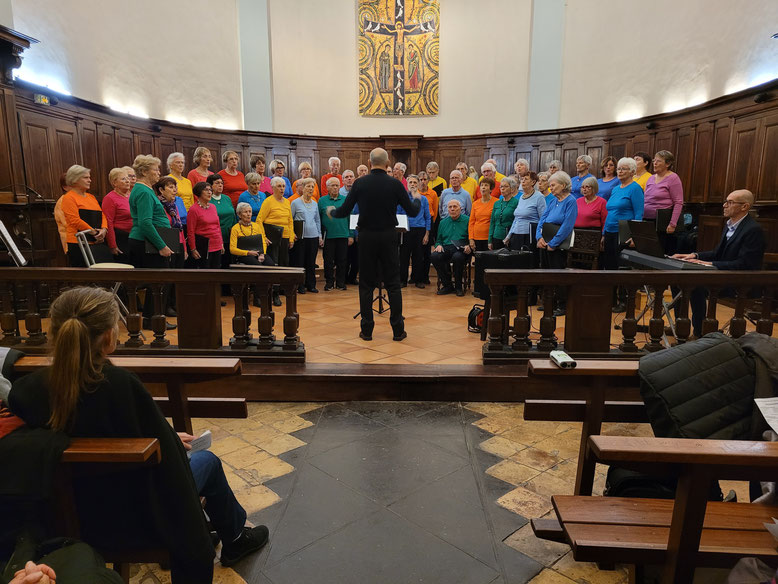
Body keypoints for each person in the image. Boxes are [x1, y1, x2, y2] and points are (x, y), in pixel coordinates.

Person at [8, 287, 270, 583]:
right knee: (206, 460)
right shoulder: (120, 386)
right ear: (109, 337)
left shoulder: (27, 392)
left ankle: (233, 533)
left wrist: (169, 438)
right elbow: (171, 473)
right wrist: (171, 442)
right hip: (135, 514)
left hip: (70, 517)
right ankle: (235, 538)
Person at [327, 148, 421, 341]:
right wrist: (417, 200)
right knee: (393, 284)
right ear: (387, 164)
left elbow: (344, 211)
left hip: (367, 237)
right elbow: (412, 211)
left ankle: (367, 330)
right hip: (389, 237)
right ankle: (398, 331)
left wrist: (332, 212)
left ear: (370, 163)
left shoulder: (360, 183)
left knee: (366, 284)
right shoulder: (395, 184)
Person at [672, 190, 765, 338]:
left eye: (730, 202)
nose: (724, 205)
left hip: (740, 280)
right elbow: (717, 253)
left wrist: (709, 264)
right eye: (726, 201)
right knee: (681, 280)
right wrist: (694, 255)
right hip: (723, 273)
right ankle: (681, 325)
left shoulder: (753, 230)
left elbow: (744, 264)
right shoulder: (729, 225)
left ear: (745, 206)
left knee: (695, 284)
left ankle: (700, 332)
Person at [128, 155, 176, 328]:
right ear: (144, 171)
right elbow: (145, 223)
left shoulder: (145, 190)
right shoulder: (143, 191)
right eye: (155, 169)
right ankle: (153, 319)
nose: (158, 173)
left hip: (150, 240)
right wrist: (161, 245)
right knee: (159, 281)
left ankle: (153, 318)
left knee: (159, 281)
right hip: (147, 241)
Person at [602, 158, 644, 311]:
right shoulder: (615, 188)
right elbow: (610, 212)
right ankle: (611, 299)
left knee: (622, 266)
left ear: (632, 172)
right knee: (610, 265)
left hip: (625, 232)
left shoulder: (635, 188)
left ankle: (624, 301)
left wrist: (635, 235)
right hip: (610, 231)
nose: (619, 171)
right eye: (619, 168)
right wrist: (603, 234)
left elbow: (639, 213)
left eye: (624, 169)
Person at [536, 171, 578, 316]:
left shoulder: (571, 201)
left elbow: (567, 225)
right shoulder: (553, 200)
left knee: (558, 273)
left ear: (564, 185)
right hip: (545, 241)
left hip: (559, 244)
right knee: (546, 273)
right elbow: (543, 219)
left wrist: (553, 243)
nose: (551, 188)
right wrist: (539, 237)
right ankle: (549, 302)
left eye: (553, 185)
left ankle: (562, 304)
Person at [60, 165, 109, 267]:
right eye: (86, 177)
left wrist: (104, 229)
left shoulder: (91, 197)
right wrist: (94, 232)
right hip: (78, 243)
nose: (89, 180)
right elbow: (74, 220)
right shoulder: (69, 197)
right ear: (74, 179)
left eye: (89, 177)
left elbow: (102, 215)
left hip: (96, 241)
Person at [258, 177, 295, 306]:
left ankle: (280, 291)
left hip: (284, 237)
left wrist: (291, 238)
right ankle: (273, 294)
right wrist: (263, 236)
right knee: (274, 264)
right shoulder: (268, 202)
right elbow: (259, 220)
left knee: (284, 264)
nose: (282, 189)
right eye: (279, 186)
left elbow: (290, 221)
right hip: (272, 237)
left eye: (283, 186)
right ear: (273, 188)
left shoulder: (287, 202)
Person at [431, 199, 471, 296]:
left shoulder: (467, 220)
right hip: (446, 248)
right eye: (450, 207)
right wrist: (439, 245)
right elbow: (439, 240)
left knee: (457, 257)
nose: (452, 209)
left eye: (455, 207)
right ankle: (447, 285)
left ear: (460, 209)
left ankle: (458, 287)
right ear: (447, 210)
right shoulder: (443, 222)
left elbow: (472, 238)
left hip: (461, 248)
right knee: (434, 256)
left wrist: (469, 245)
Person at [290, 178, 321, 292]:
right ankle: (300, 285)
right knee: (300, 261)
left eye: (312, 187)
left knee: (311, 261)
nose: (311, 189)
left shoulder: (314, 203)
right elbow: (290, 220)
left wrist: (319, 235)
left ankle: (311, 285)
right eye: (308, 186)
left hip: (313, 236)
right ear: (302, 188)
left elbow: (317, 220)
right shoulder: (295, 203)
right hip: (300, 237)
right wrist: (292, 234)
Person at [399, 174, 430, 288]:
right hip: (405, 230)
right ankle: (402, 280)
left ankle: (418, 280)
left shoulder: (424, 199)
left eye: (415, 183)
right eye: (410, 182)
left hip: (420, 230)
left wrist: (427, 234)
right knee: (404, 256)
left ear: (418, 184)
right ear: (407, 184)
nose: (412, 184)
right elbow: (398, 214)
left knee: (418, 256)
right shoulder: (402, 199)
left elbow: (428, 217)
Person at [319, 177, 350, 291]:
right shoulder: (322, 201)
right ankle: (329, 282)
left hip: (343, 234)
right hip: (328, 236)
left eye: (337, 185)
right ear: (327, 187)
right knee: (328, 260)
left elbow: (350, 218)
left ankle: (341, 282)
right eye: (332, 185)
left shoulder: (345, 199)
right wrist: (320, 236)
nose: (335, 187)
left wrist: (350, 234)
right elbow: (318, 219)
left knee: (342, 260)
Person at [644, 150, 684, 236]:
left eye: (658, 161)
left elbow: (678, 202)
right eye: (654, 160)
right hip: (646, 219)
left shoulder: (673, 178)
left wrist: (673, 224)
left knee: (661, 248)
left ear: (667, 164)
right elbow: (645, 199)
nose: (655, 163)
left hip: (663, 223)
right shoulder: (650, 178)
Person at [187, 182, 224, 269]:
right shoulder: (193, 209)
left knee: (217, 273)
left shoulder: (213, 207)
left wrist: (221, 243)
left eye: (210, 190)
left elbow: (218, 226)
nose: (210, 192)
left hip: (217, 244)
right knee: (206, 274)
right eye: (206, 190)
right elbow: (190, 231)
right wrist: (193, 249)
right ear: (199, 192)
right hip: (204, 247)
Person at [101, 167, 133, 262]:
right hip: (121, 238)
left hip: (134, 236)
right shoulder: (110, 198)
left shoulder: (132, 195)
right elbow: (108, 223)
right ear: (114, 183)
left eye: (128, 178)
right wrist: (112, 245)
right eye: (123, 179)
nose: (128, 181)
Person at [507, 174, 546, 250]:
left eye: (526, 179)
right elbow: (516, 219)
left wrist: (540, 237)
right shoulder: (522, 197)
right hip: (516, 234)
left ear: (533, 182)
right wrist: (509, 235)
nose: (523, 181)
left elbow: (543, 218)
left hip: (530, 236)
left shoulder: (539, 197)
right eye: (522, 179)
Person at [207, 174, 237, 270]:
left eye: (222, 183)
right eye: (217, 183)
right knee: (216, 266)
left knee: (228, 264)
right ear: (210, 186)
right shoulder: (208, 200)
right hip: (215, 238)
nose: (220, 185)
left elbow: (233, 216)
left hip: (229, 236)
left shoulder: (226, 198)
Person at [417, 171, 438, 285]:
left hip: (428, 223)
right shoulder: (416, 193)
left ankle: (425, 276)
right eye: (421, 179)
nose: (423, 182)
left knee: (426, 253)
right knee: (417, 252)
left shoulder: (433, 194)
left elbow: (434, 211)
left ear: (428, 181)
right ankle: (416, 276)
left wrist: (429, 228)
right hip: (417, 224)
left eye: (425, 179)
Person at [489, 175, 519, 250]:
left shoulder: (516, 202)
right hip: (496, 237)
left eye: (505, 186)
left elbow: (516, 221)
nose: (502, 189)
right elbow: (492, 222)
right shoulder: (497, 203)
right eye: (501, 187)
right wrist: (490, 240)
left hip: (509, 237)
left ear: (511, 189)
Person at [468, 177, 496, 252]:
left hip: (490, 237)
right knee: (479, 261)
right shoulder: (475, 204)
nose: (483, 187)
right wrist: (471, 239)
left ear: (491, 189)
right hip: (477, 237)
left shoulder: (496, 202)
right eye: (482, 185)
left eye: (486, 185)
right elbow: (471, 222)